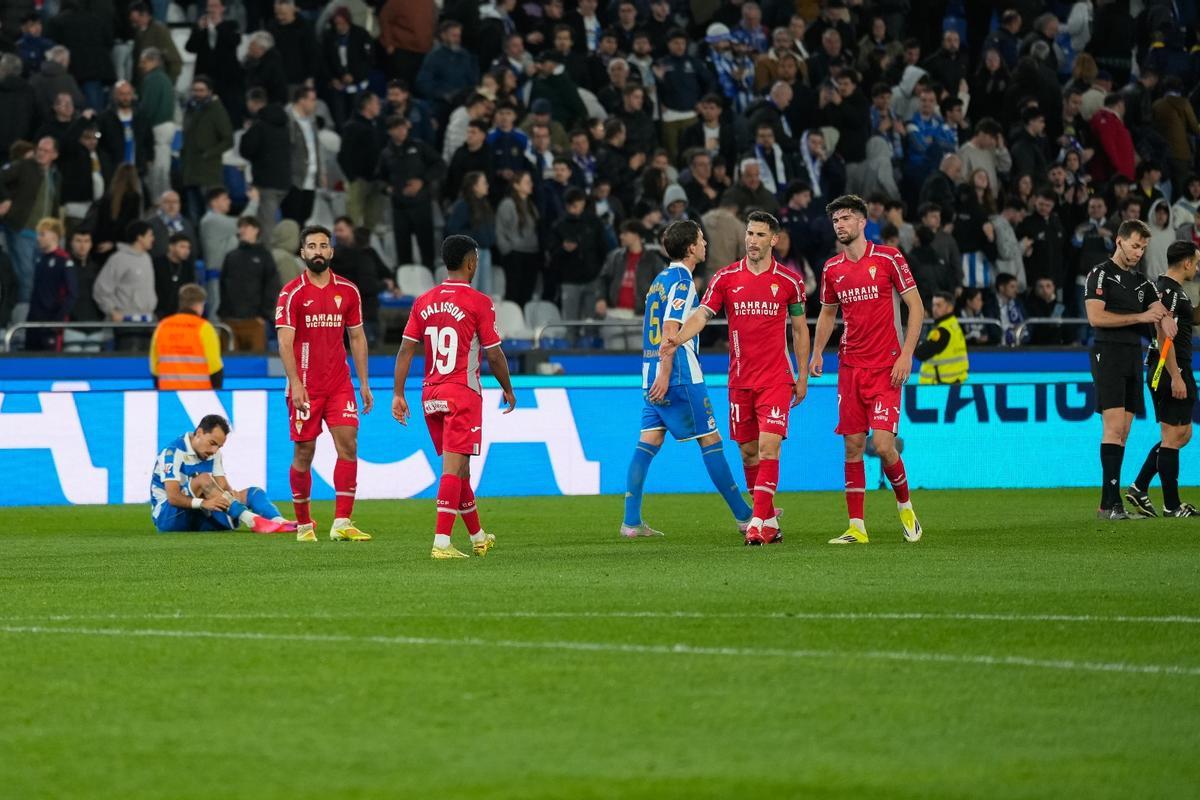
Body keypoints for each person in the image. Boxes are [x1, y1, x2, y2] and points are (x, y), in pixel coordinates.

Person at [661, 211, 809, 546]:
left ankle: (756, 521)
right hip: (740, 379)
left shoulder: (789, 281)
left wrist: (802, 376)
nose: (752, 241)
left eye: (759, 235)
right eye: (749, 234)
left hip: (776, 378)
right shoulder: (726, 278)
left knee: (770, 447)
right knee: (748, 452)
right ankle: (769, 521)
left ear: (773, 239)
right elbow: (702, 314)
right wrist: (679, 337)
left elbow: (800, 330)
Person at [620, 219, 754, 538]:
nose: (706, 244)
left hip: (649, 372)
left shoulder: (659, 280)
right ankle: (745, 516)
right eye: (702, 240)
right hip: (678, 374)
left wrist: (657, 372)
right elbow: (670, 330)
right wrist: (667, 374)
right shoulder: (683, 281)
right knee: (711, 439)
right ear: (692, 248)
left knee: (648, 441)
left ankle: (631, 522)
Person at [810, 194, 925, 544]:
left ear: (863, 222)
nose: (840, 224)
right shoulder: (832, 269)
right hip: (850, 367)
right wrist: (817, 354)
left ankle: (905, 507)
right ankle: (856, 527)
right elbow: (828, 314)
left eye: (846, 218)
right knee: (852, 446)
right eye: (836, 220)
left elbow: (916, 308)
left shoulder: (889, 258)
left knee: (883, 444)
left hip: (887, 366)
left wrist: (907, 354)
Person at [392, 235, 517, 559]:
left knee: (461, 470)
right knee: (453, 468)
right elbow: (494, 354)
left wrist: (397, 393)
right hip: (462, 393)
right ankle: (442, 542)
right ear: (471, 262)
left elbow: (406, 348)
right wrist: (507, 387)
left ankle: (477, 536)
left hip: (430, 394)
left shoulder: (424, 300)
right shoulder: (479, 302)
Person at [276, 225, 374, 543]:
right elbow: (284, 341)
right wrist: (295, 382)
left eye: (323, 245)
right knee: (304, 451)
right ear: (302, 253)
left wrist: (364, 383)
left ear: (331, 251)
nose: (318, 251)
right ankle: (304, 525)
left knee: (348, 444)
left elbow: (356, 337)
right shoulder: (291, 293)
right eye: (312, 246)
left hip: (339, 384)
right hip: (304, 384)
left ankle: (342, 521)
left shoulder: (348, 291)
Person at [1084, 219, 1175, 520]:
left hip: (1132, 357)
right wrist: (1142, 317)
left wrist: (1166, 320)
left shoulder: (1142, 283)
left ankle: (1107, 504)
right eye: (1135, 245)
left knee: (1123, 431)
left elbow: (1158, 313)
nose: (1139, 252)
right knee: (1112, 427)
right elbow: (1096, 318)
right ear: (1119, 241)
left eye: (1143, 248)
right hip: (1107, 353)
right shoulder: (1100, 275)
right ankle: (1112, 505)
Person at [1126, 242, 1200, 518]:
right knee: (1172, 437)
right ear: (1187, 263)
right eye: (1196, 261)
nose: (1197, 266)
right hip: (1171, 369)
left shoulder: (1172, 290)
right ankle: (1172, 505)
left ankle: (1139, 486)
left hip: (1177, 368)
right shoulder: (1168, 290)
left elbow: (1186, 321)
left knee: (1183, 434)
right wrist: (1176, 375)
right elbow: (1162, 332)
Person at [150, 414, 294, 534]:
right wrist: (205, 503)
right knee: (203, 479)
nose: (214, 450)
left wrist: (232, 496)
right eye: (212, 443)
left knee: (254, 493)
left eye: (219, 446)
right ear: (199, 433)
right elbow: (173, 497)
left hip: (200, 514)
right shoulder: (173, 452)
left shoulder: (214, 453)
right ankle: (250, 519)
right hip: (168, 518)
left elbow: (222, 486)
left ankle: (281, 523)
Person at [92, 220, 157, 350]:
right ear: (139, 237)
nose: (153, 239)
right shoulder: (119, 259)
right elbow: (100, 289)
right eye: (150, 235)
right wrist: (112, 311)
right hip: (127, 323)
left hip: (147, 322)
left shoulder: (147, 258)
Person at [218, 216, 279, 353]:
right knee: (230, 364)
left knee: (255, 363)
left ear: (256, 230)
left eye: (246, 227)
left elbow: (272, 286)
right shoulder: (231, 256)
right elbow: (223, 286)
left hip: (254, 321)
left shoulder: (265, 256)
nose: (242, 230)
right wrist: (223, 313)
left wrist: (263, 314)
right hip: (230, 320)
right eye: (241, 227)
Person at [149, 283, 224, 390]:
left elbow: (154, 367)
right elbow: (215, 368)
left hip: (168, 395)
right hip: (199, 396)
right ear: (199, 305)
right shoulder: (204, 328)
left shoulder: (162, 327)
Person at [26, 218, 78, 352]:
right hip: (33, 322)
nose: (38, 238)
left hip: (51, 323)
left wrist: (58, 321)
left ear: (54, 236)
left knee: (50, 367)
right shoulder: (39, 259)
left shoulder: (64, 260)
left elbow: (72, 294)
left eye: (42, 234)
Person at [915, 291, 968, 384]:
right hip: (953, 382)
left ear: (950, 307)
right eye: (933, 305)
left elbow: (920, 354)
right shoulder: (953, 324)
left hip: (940, 386)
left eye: (939, 305)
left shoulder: (942, 331)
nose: (934, 309)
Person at [153, 232, 194, 319]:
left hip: (180, 312)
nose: (186, 251)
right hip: (159, 311)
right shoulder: (157, 263)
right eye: (182, 247)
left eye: (188, 248)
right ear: (171, 247)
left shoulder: (188, 266)